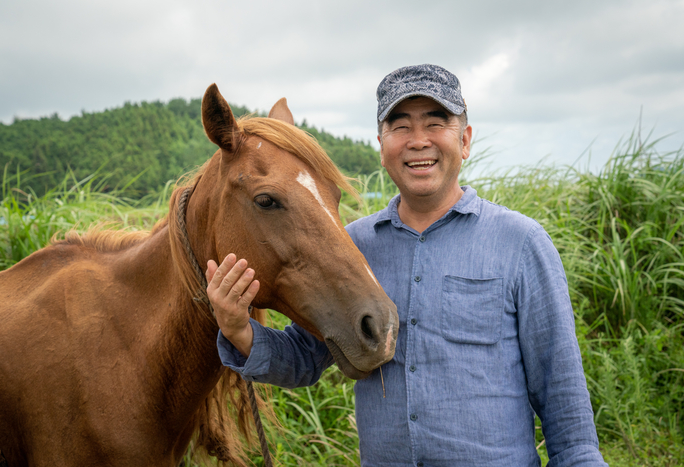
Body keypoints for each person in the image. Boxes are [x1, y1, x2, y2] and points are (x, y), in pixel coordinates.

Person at [207, 64, 608, 466]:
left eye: (436, 123)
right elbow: (305, 358)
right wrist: (240, 329)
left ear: (465, 141)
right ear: (381, 146)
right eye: (400, 127)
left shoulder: (520, 243)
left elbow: (563, 400)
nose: (418, 141)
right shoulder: (354, 245)